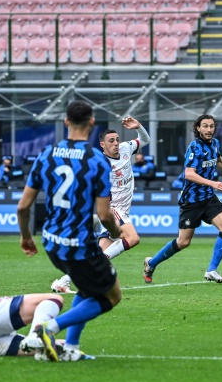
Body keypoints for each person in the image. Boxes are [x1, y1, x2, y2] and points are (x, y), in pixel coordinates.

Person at [17, 100, 123, 362]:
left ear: (66, 122)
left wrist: (26, 238)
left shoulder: (46, 154)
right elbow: (104, 214)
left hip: (52, 243)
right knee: (112, 296)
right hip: (79, 245)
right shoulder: (97, 161)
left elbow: (23, 207)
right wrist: (117, 232)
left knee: (87, 289)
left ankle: (71, 348)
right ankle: (48, 330)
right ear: (91, 123)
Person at [143, 114, 222, 284]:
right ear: (198, 128)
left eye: (211, 126)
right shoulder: (195, 147)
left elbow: (219, 159)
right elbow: (188, 173)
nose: (209, 129)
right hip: (191, 200)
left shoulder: (214, 143)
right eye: (205, 126)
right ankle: (151, 263)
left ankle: (212, 270)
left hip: (208, 197)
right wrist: (212, 183)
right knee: (183, 242)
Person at [50, 116, 150, 294]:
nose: (116, 143)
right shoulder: (100, 164)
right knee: (133, 239)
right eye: (111, 141)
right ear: (102, 144)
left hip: (122, 211)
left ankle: (63, 281)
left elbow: (146, 140)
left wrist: (138, 126)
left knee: (98, 256)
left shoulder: (126, 148)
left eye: (117, 139)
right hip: (114, 210)